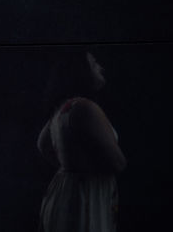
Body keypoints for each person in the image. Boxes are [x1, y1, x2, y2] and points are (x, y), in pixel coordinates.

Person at [37, 53, 126, 232]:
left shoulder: (62, 109)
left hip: (65, 190)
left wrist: (69, 165)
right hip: (87, 192)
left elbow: (42, 145)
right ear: (81, 71)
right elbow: (118, 162)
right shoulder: (85, 107)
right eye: (94, 64)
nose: (101, 68)